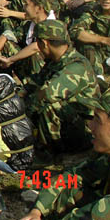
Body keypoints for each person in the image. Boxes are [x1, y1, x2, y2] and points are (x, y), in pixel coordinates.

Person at [14, 87, 110, 220]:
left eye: (98, 120)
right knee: (71, 191)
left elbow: (98, 215)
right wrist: (37, 211)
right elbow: (73, 176)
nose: (90, 125)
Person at [25, 20, 99, 153]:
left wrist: (24, 112)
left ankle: (51, 154)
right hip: (70, 123)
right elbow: (34, 84)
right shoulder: (55, 61)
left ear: (44, 43)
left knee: (50, 106)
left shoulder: (76, 65)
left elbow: (47, 94)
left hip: (87, 130)